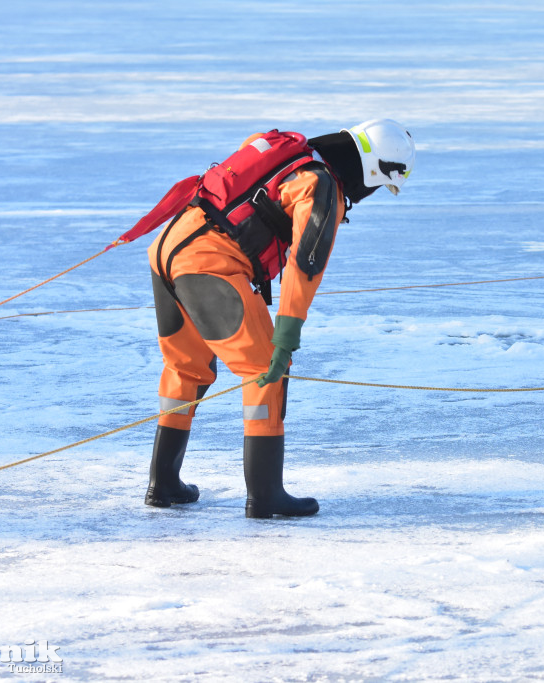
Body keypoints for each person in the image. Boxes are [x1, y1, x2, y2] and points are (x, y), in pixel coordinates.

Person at [144, 119, 415, 517]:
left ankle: (164, 483)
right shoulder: (322, 187)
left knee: (185, 368)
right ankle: (266, 495)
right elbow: (305, 264)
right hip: (209, 266)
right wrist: (286, 335)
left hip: (167, 249)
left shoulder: (287, 152)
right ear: (373, 172)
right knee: (265, 369)